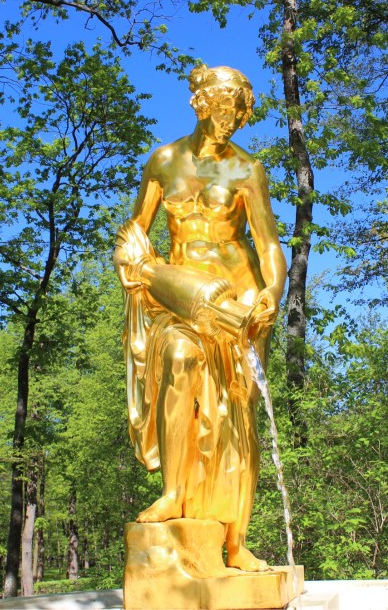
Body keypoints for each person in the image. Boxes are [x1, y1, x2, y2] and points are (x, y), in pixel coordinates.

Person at [113, 65, 286, 572]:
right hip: (181, 301)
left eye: (242, 109)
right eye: (227, 106)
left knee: (238, 414)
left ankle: (236, 542)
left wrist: (273, 291)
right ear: (202, 102)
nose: (235, 117)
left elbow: (268, 245)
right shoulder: (163, 163)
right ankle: (172, 493)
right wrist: (138, 269)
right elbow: (134, 236)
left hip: (240, 302)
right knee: (181, 359)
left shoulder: (247, 170)